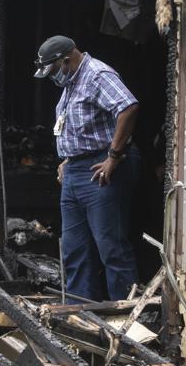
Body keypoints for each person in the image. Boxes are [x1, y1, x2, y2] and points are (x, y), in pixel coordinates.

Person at [34, 35, 140, 301]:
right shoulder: (71, 82)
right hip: (74, 173)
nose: (52, 77)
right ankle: (80, 317)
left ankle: (126, 316)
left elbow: (128, 107)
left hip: (99, 169)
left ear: (66, 61)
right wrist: (68, 161)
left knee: (110, 246)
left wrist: (113, 156)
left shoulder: (96, 75)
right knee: (75, 249)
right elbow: (80, 126)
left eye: (54, 70)